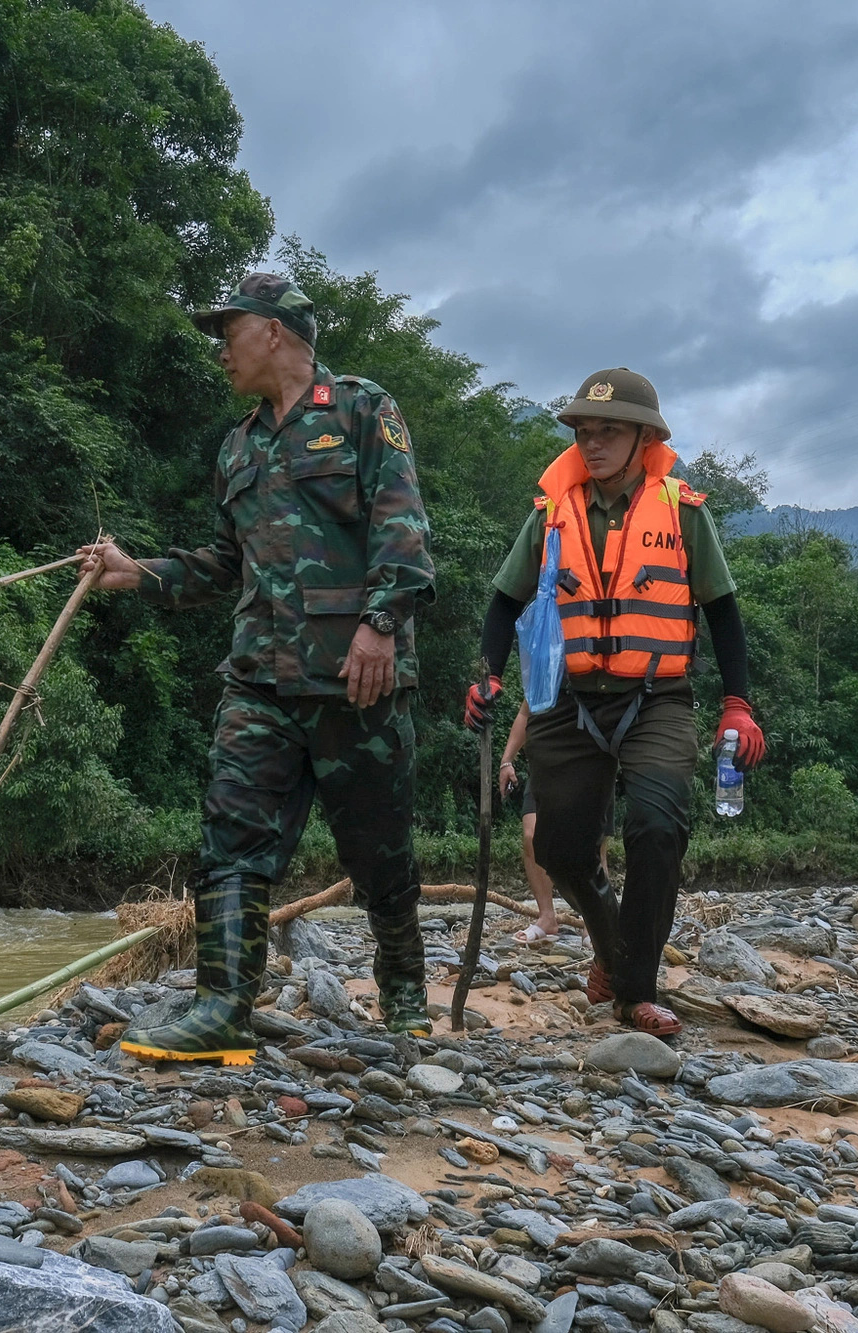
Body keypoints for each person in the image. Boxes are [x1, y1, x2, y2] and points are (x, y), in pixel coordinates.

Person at [78, 272, 437, 1063]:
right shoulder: (237, 445)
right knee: (231, 838)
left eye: (227, 332)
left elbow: (403, 532)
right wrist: (139, 571)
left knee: (378, 844)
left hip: (355, 675)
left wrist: (381, 627)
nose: (219, 351)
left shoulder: (362, 409)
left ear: (274, 331)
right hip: (259, 678)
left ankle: (405, 987)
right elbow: (226, 561)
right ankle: (222, 1007)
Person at [463, 368, 764, 1036]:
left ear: (643, 437)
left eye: (609, 431)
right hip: (568, 701)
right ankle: (610, 949)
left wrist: (737, 703)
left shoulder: (683, 509)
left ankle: (634, 991)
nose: (592, 443)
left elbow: (723, 610)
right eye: (584, 431)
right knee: (563, 848)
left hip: (656, 696)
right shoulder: (551, 512)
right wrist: (487, 676)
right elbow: (504, 601)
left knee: (658, 827)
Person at [496, 708, 560, 943]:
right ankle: (547, 917)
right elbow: (526, 712)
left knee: (590, 844)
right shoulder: (544, 672)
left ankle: (591, 924)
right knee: (531, 836)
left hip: (588, 760)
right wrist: (507, 761)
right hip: (543, 763)